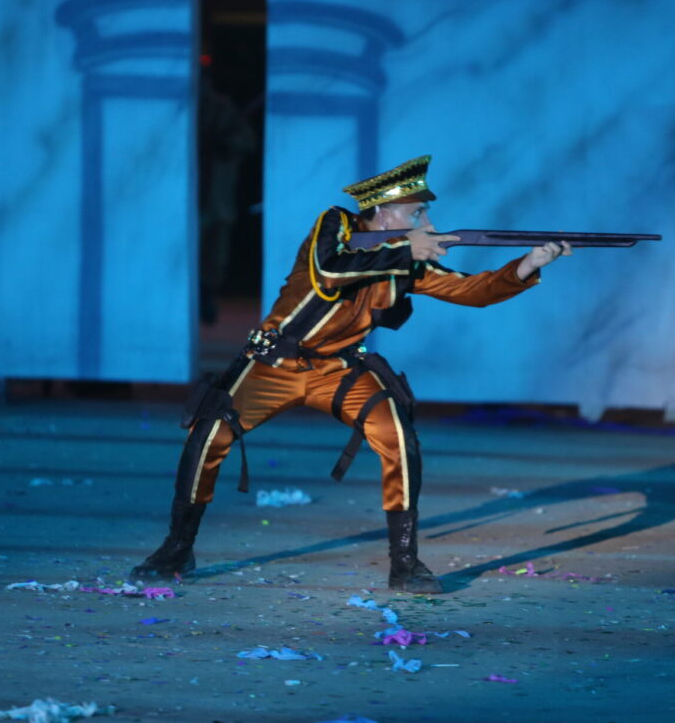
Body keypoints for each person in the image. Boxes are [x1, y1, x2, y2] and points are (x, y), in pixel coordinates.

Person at [131, 156, 571, 593]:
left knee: (398, 437)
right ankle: (177, 547)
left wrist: (528, 265)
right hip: (274, 363)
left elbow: (472, 290)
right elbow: (328, 271)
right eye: (417, 213)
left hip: (339, 368)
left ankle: (405, 563)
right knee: (209, 435)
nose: (428, 222)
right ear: (383, 212)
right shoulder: (336, 224)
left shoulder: (407, 259)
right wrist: (404, 250)